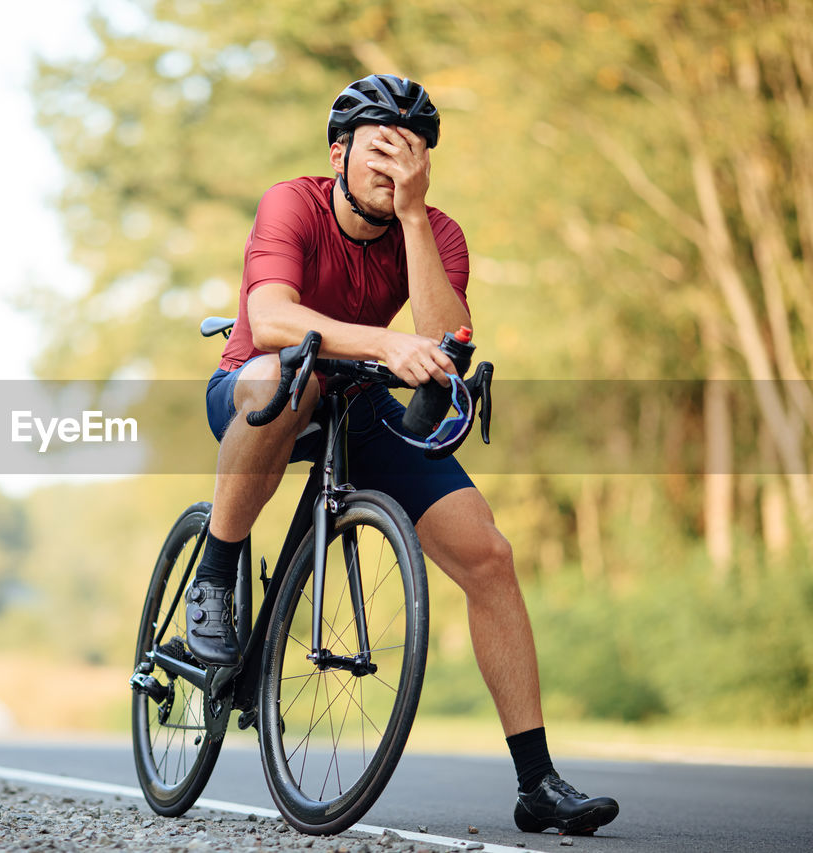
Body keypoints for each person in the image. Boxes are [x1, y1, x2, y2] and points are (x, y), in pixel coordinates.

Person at [185, 73, 620, 836]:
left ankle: (536, 781)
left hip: (360, 401)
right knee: (277, 378)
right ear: (339, 152)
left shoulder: (436, 231)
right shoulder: (292, 202)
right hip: (261, 386)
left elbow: (447, 340)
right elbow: (273, 316)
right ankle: (216, 576)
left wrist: (414, 216)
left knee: (489, 554)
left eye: (412, 158)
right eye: (381, 154)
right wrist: (386, 342)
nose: (395, 172)